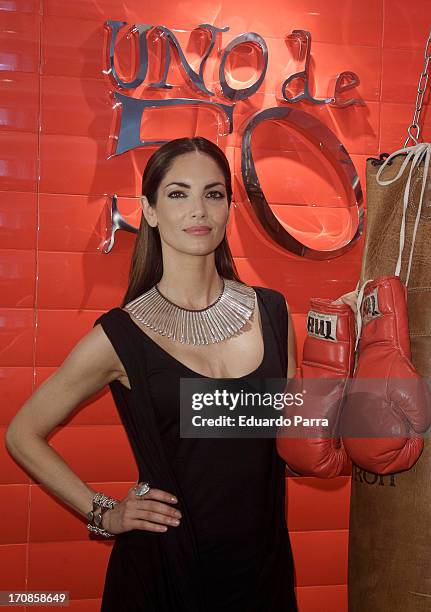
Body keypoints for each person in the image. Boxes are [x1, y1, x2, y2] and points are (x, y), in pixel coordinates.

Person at [5, 136, 355, 611]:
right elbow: (22, 433)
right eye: (177, 193)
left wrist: (353, 388)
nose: (199, 210)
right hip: (164, 572)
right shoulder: (120, 335)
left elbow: (291, 445)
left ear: (229, 208)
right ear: (149, 210)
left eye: (213, 194)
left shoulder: (271, 312)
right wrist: (103, 514)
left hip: (260, 570)